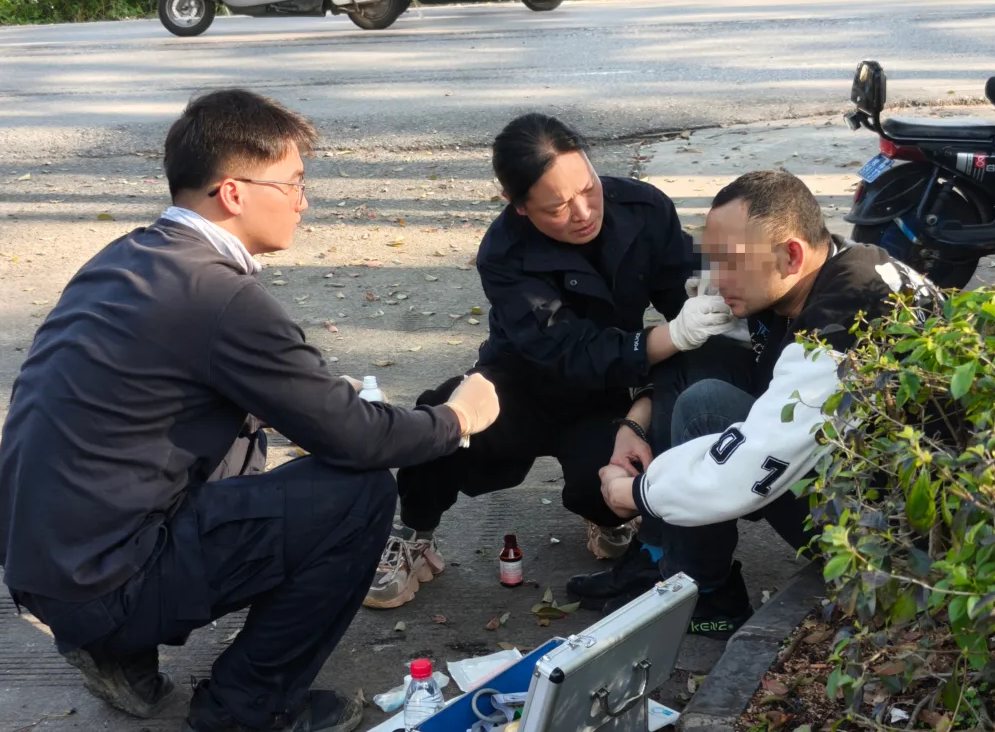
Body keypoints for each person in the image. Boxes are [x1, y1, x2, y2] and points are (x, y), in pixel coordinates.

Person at [0, 90, 500, 732]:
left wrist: (308, 398)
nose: (303, 201)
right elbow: (358, 440)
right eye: (292, 184)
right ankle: (247, 707)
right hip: (105, 582)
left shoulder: (130, 256)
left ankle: (114, 650)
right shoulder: (220, 296)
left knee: (244, 436)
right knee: (358, 494)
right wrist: (458, 418)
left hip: (48, 565)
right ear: (233, 193)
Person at [363, 112, 752, 610]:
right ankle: (413, 534)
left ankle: (605, 516)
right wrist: (670, 335)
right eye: (557, 207)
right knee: (443, 427)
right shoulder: (503, 253)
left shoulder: (643, 208)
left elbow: (686, 288)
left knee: (621, 472)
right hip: (518, 382)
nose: (583, 212)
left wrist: (708, 296)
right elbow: (568, 350)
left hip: (605, 391)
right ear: (519, 206)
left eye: (587, 188)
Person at [596, 169, 937, 638]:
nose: (716, 278)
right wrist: (634, 422)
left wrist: (636, 494)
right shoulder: (833, 267)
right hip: (868, 465)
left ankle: (706, 595)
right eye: (712, 260)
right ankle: (660, 555)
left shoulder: (838, 327)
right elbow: (697, 354)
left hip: (885, 536)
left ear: (791, 254)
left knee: (704, 405)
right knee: (702, 352)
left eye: (730, 262)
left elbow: (754, 463)